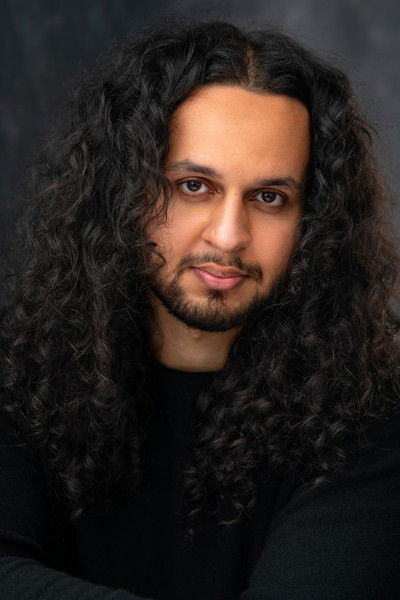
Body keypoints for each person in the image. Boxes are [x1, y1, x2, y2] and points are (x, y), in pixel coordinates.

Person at [0, 17, 400, 600]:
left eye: (270, 197)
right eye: (194, 186)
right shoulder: (16, 377)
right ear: (122, 190)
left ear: (312, 223)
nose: (230, 235)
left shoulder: (369, 417)